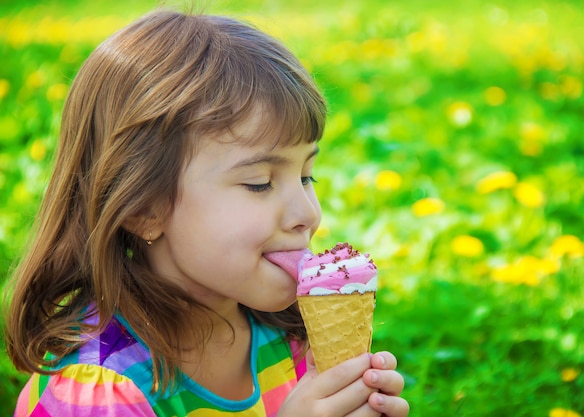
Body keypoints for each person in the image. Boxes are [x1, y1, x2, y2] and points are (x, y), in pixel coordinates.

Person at [4, 8, 409, 417]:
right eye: (259, 183)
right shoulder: (102, 392)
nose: (307, 213)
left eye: (307, 176)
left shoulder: (286, 336)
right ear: (145, 208)